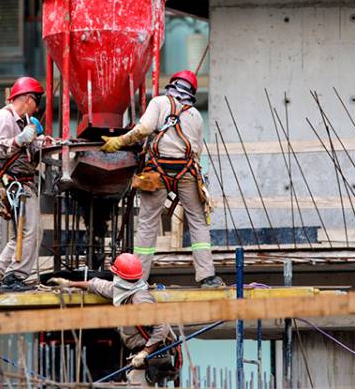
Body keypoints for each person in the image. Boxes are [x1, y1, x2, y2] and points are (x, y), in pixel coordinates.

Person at [99, 70, 224, 288]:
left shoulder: (159, 102)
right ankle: (207, 276)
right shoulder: (195, 115)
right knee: (197, 221)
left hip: (157, 172)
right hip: (187, 172)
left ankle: (137, 278)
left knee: (148, 224)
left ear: (172, 85)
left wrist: (119, 141)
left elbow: (145, 129)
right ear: (191, 92)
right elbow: (197, 151)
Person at [48, 253, 181, 387]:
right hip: (142, 355)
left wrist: (145, 353)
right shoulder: (123, 291)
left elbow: (162, 326)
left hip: (154, 355)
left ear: (119, 276)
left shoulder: (140, 299)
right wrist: (69, 284)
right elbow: (97, 285)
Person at [0, 77, 50, 291]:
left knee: (20, 234)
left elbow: (26, 152)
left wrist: (40, 142)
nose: (36, 109)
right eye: (36, 103)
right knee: (32, 231)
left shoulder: (19, 123)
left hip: (19, 183)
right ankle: (15, 276)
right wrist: (20, 139)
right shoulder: (4, 117)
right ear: (29, 99)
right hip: (14, 183)